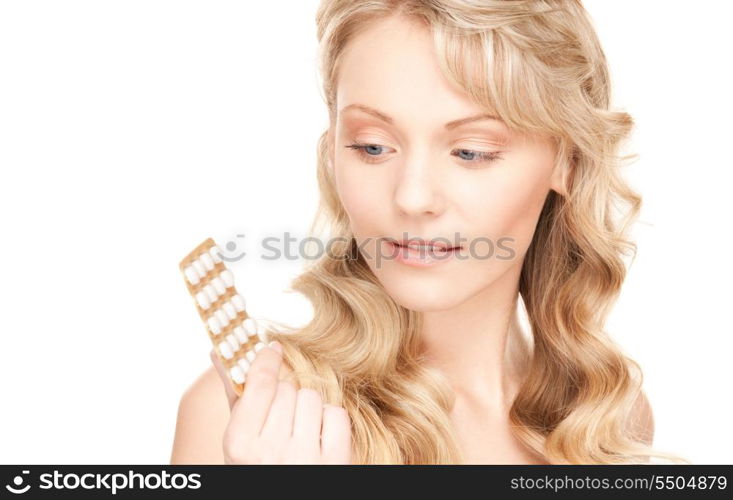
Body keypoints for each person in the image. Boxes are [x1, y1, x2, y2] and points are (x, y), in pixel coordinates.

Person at [170, 0, 689, 464]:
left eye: (470, 152)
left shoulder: (605, 420)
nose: (412, 197)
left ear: (567, 162)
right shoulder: (248, 422)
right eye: (372, 146)